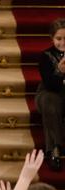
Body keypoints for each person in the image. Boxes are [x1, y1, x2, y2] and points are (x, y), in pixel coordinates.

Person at [35, 18, 65, 171]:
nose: (62, 42)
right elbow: (51, 85)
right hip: (48, 93)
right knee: (50, 102)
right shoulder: (45, 56)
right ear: (52, 38)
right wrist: (59, 71)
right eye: (59, 39)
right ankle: (54, 149)